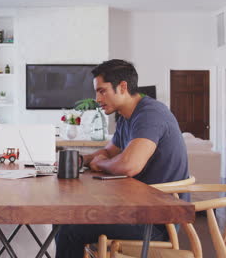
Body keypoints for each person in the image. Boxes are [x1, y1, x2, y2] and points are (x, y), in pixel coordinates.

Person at [55, 59, 189, 258]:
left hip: (156, 223)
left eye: (102, 91)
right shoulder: (127, 118)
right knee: (62, 217)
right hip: (136, 211)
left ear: (122, 87)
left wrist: (100, 163)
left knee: (70, 229)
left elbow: (129, 166)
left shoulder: (150, 114)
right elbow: (109, 152)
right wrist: (83, 160)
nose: (97, 98)